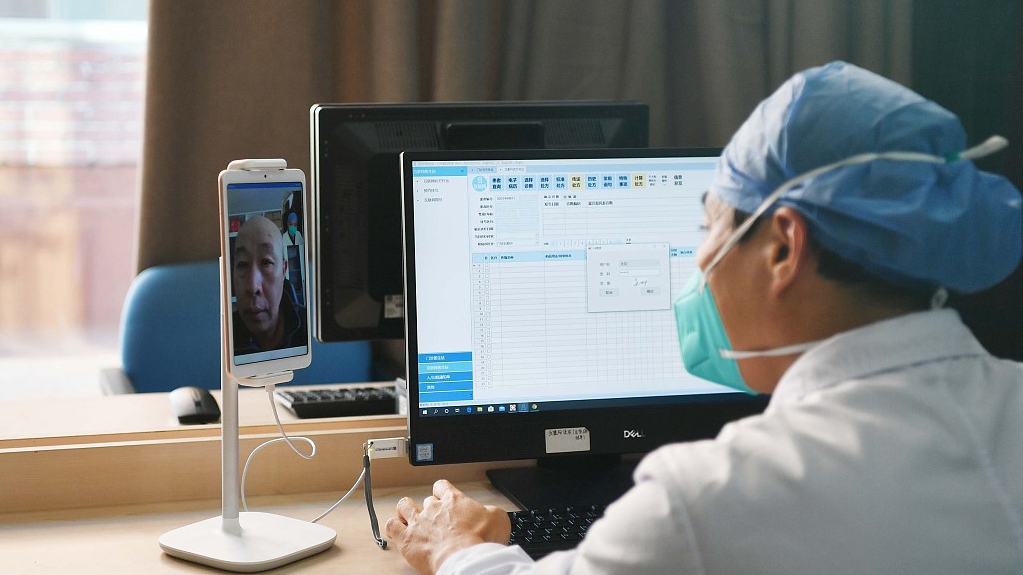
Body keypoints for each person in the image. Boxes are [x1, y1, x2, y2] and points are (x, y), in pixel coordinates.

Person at [384, 61, 1023, 575]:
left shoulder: (715, 496)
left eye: (711, 225)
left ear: (782, 247)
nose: (699, 260)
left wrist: (457, 552)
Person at [232, 214, 307, 354]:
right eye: (242, 264)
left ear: (284, 270)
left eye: (266, 262)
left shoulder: (309, 330)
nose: (253, 287)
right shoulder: (224, 340)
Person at [282, 211, 303, 281]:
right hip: (289, 269)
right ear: (287, 224)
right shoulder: (283, 238)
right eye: (291, 224)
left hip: (299, 267)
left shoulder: (299, 235)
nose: (293, 227)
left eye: (295, 224)